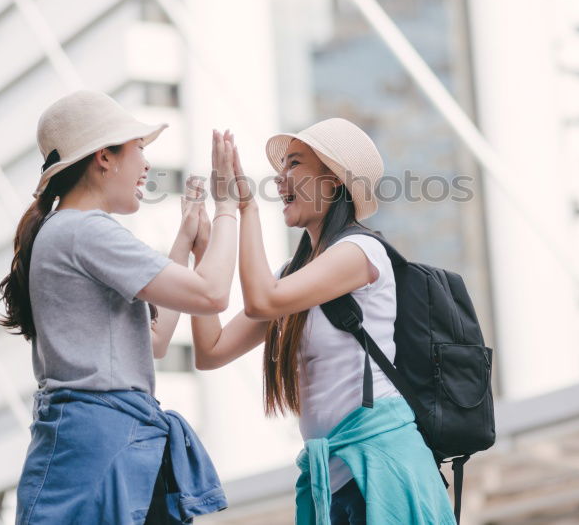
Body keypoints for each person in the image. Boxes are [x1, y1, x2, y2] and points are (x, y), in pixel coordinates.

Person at [190, 118, 456, 524]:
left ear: (332, 182)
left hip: (384, 467)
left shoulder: (362, 253)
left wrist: (244, 207)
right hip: (333, 484)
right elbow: (210, 351)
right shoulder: (290, 277)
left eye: (294, 164)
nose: (280, 180)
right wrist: (203, 256)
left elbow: (262, 301)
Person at [0, 89, 237, 524]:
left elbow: (156, 341)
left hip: (95, 448)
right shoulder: (86, 231)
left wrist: (184, 241)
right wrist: (229, 206)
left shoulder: (63, 232)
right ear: (103, 157)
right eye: (139, 148)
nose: (146, 164)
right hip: (105, 448)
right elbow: (212, 294)